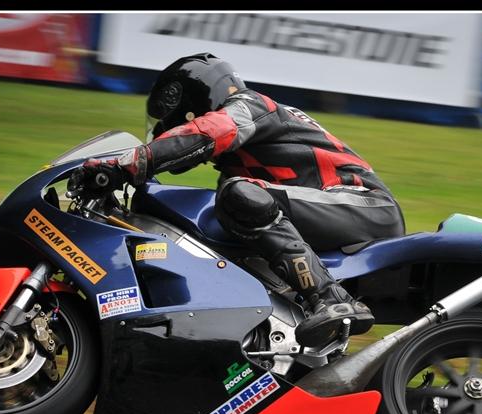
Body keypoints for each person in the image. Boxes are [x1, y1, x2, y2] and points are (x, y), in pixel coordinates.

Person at [78, 53, 405, 348]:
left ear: (188, 99)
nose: (167, 127)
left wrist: (130, 162)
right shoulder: (238, 166)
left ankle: (331, 298)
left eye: (169, 117)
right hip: (330, 208)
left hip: (365, 204)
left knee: (239, 195)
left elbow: (209, 132)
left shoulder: (252, 105)